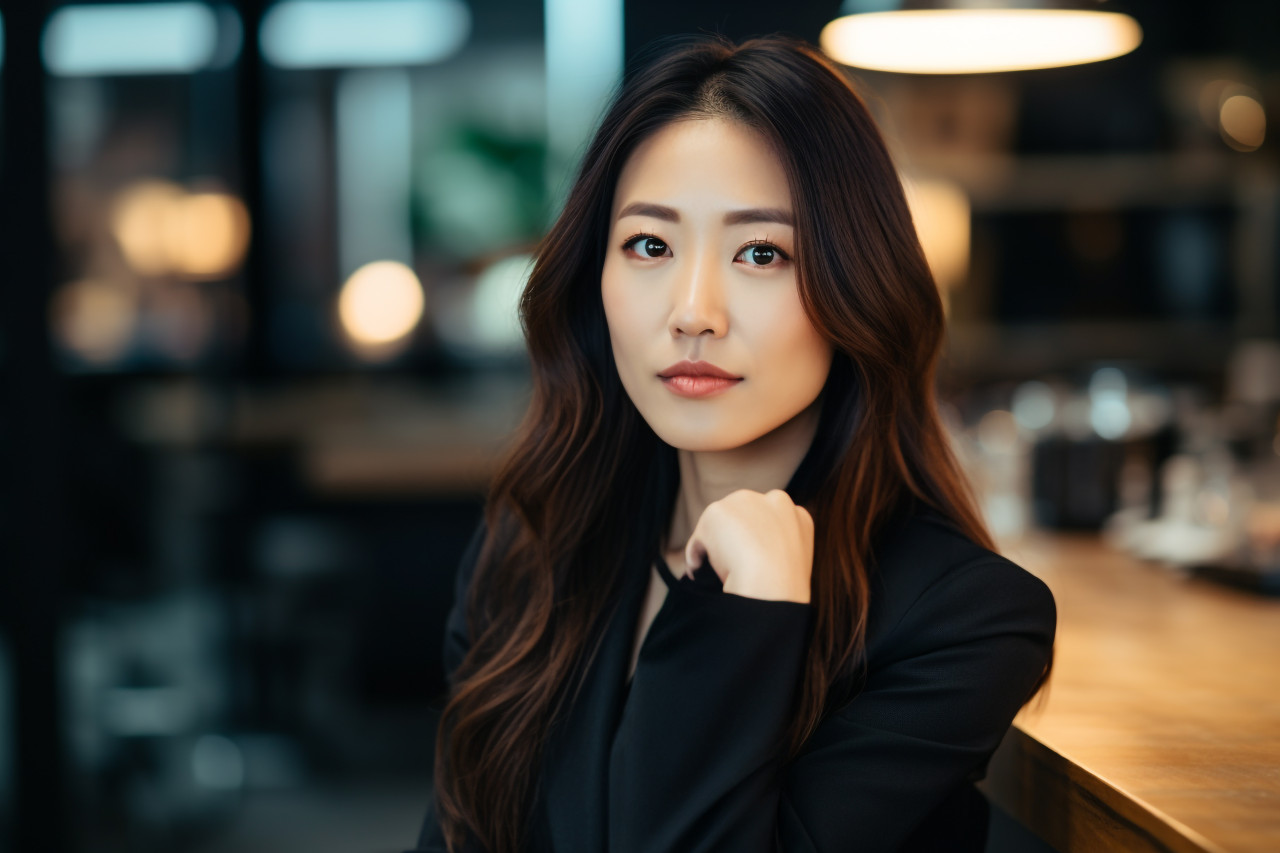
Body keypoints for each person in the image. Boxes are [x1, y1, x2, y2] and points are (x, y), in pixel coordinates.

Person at [408, 32, 1056, 853]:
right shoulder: (532, 550)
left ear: (858, 283)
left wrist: (749, 616)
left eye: (761, 252)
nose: (693, 312)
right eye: (650, 245)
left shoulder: (961, 621)